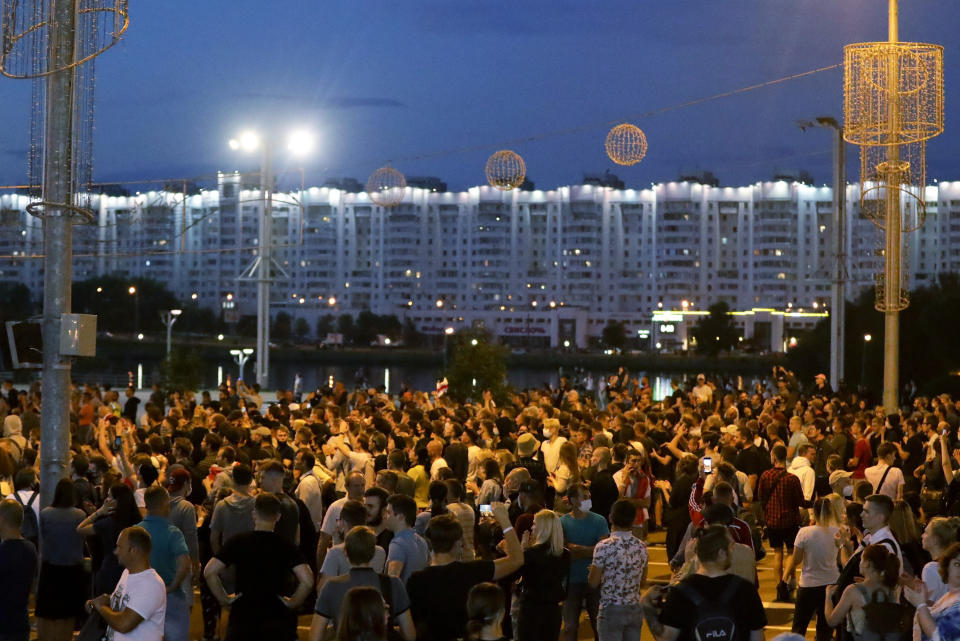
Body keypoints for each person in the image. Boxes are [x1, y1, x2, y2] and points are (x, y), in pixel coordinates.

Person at [204, 493, 314, 641]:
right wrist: (292, 602)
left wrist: (224, 599)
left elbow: (210, 571)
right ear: (278, 516)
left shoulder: (238, 541)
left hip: (243, 618)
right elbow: (307, 580)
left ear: (254, 514)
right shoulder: (286, 546)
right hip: (277, 619)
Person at [406, 502, 522, 641]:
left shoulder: (416, 580)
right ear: (458, 544)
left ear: (430, 542)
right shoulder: (473, 571)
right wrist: (504, 520)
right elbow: (517, 560)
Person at [643, 524, 767, 641]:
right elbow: (757, 638)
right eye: (731, 546)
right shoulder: (745, 590)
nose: (733, 550)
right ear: (721, 553)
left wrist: (647, 607)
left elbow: (666, 638)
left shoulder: (680, 592)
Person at [310, 525, 416, 641]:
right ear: (373, 552)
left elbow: (315, 637)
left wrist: (336, 631)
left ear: (345, 552)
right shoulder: (393, 583)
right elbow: (410, 635)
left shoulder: (331, 586)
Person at [88, 525, 167, 641]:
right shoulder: (127, 573)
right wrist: (108, 599)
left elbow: (124, 624)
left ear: (134, 550)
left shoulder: (151, 584)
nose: (116, 552)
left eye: (120, 547)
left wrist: (101, 606)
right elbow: (129, 599)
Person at [588, 499, 648, 641]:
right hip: (633, 608)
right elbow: (643, 582)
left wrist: (595, 571)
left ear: (610, 517)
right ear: (633, 520)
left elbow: (593, 583)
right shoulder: (641, 546)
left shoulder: (603, 547)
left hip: (611, 609)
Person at [783, 497, 842, 641]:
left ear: (814, 513)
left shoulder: (804, 532)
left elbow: (796, 560)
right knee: (825, 628)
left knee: (799, 626)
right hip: (831, 583)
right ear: (830, 513)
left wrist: (786, 574)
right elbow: (840, 560)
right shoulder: (838, 532)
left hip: (808, 584)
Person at [137, 486, 191, 641]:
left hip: (143, 596)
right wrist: (173, 585)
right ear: (165, 504)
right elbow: (184, 564)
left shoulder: (136, 531)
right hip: (170, 595)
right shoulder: (173, 532)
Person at [36, 478, 87, 641]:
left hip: (51, 567)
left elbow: (44, 537)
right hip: (73, 569)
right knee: (69, 613)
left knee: (48, 612)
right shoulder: (80, 515)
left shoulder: (45, 513)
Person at [560, 483, 609, 641]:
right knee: (570, 626)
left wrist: (579, 550)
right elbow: (563, 551)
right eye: (585, 497)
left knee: (599, 625)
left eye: (589, 497)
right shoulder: (563, 521)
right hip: (571, 581)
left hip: (594, 580)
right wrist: (591, 551)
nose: (588, 500)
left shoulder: (599, 520)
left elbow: (604, 549)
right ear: (573, 500)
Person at [824, 543, 903, 640]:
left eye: (861, 559)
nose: (859, 563)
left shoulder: (853, 591)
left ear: (867, 563)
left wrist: (828, 596)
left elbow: (832, 621)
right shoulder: (890, 588)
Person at [758, 444, 805, 600]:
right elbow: (800, 500)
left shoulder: (765, 476)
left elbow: (761, 497)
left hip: (772, 520)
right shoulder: (792, 478)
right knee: (791, 552)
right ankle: (788, 580)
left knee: (777, 553)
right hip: (790, 520)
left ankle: (779, 585)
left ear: (773, 457)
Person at [515, 509, 571, 641]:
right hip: (553, 610)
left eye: (534, 524)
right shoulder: (565, 554)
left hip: (530, 609)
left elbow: (516, 574)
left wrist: (522, 549)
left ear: (543, 528)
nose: (532, 527)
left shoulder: (530, 554)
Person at [318, 499, 386, 586]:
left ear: (343, 523)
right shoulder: (380, 552)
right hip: (370, 598)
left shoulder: (335, 553)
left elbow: (323, 589)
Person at [904, 541, 960, 641]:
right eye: (957, 564)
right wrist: (924, 599)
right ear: (947, 566)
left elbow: (939, 637)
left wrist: (921, 605)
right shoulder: (949, 595)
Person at [0, 498, 37, 641]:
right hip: (21, 620)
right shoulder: (30, 548)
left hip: (3, 624)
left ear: (2, 519)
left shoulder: (3, 551)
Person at [209, 463, 255, 555]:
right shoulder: (257, 505)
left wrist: (221, 559)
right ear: (251, 481)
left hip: (228, 554)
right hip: (250, 555)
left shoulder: (222, 505)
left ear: (233, 479)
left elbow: (214, 539)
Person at [384, 493, 430, 584]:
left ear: (401, 516)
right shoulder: (421, 541)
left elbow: (393, 580)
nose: (385, 516)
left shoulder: (398, 544)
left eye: (389, 512)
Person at [919, 516, 960, 603]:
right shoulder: (954, 564)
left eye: (926, 533)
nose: (922, 535)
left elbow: (931, 605)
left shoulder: (930, 568)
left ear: (935, 540)